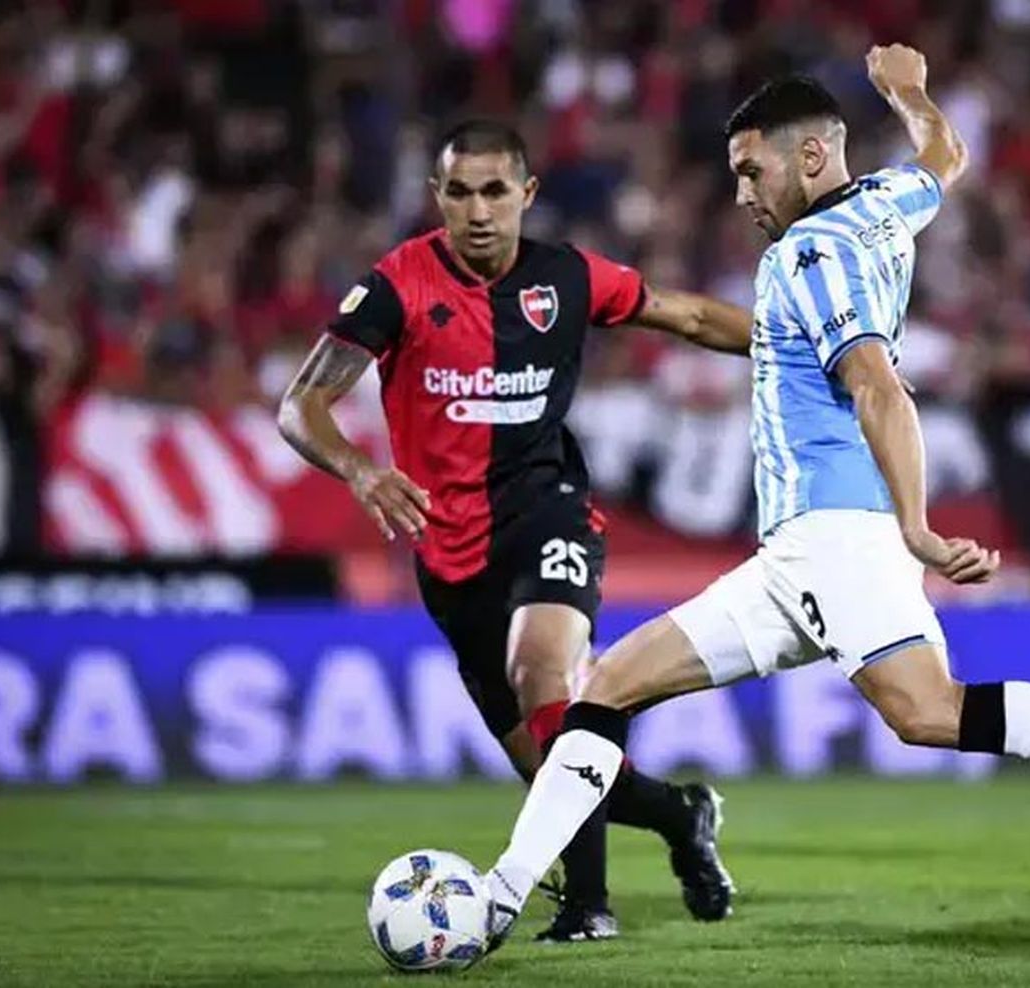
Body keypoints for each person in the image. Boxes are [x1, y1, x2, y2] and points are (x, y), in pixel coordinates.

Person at [478, 45, 1030, 948]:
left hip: (838, 535)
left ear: (813, 158)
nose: (743, 193)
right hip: (793, 554)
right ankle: (501, 899)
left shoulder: (810, 255)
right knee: (605, 689)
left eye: (753, 171)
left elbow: (876, 385)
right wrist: (910, 93)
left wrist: (916, 527)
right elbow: (945, 159)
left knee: (926, 713)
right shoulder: (880, 209)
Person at [276, 119, 747, 942]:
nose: (479, 210)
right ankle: (679, 813)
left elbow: (689, 318)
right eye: (460, 192)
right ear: (438, 198)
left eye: (496, 190)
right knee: (548, 766)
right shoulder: (398, 286)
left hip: (547, 510)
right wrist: (360, 469)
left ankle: (588, 908)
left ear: (526, 194)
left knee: (547, 676)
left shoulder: (567, 278)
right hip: (447, 549)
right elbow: (299, 404)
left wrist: (808, 347)